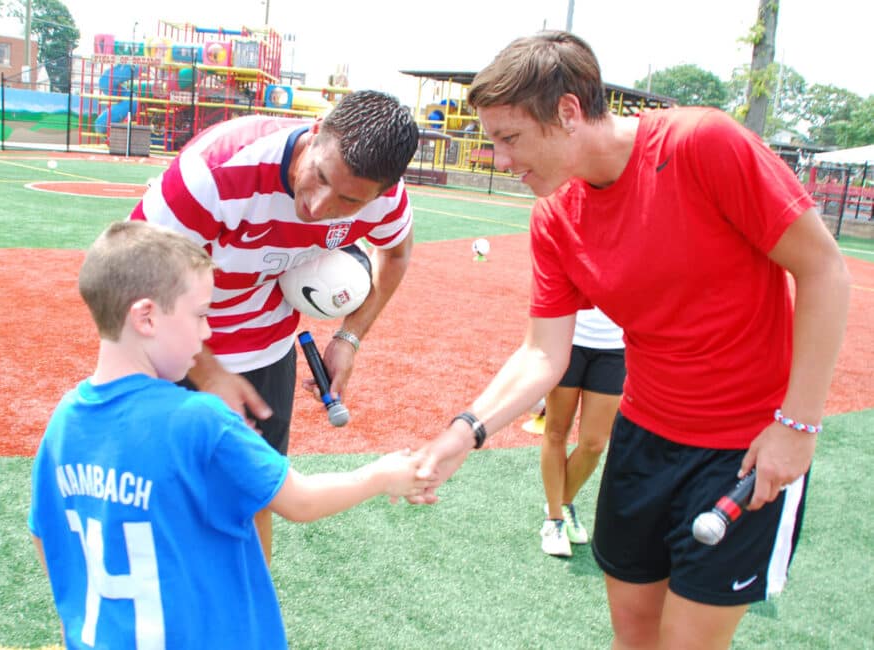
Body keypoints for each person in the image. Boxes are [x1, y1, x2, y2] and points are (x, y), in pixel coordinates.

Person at [413, 31, 851, 649]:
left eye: (509, 139)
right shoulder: (554, 218)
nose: (502, 161)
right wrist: (465, 432)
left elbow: (824, 269)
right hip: (643, 441)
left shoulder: (701, 143)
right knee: (635, 637)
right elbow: (543, 353)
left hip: (743, 449)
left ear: (567, 112)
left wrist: (798, 425)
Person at [28, 220, 426, 649]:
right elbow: (301, 500)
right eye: (201, 315)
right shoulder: (199, 419)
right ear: (146, 317)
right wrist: (383, 475)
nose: (207, 333)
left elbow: (45, 538)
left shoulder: (65, 419)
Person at [128, 90, 419, 563]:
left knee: (254, 494)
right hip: (167, 346)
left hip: (265, 348)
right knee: (159, 496)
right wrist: (210, 372)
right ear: (317, 129)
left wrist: (349, 337)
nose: (319, 206)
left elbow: (398, 252)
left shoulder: (382, 200)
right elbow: (137, 271)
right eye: (320, 177)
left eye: (347, 200)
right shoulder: (216, 171)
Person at [537, 306, 624, 558]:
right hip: (567, 338)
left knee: (594, 443)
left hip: (615, 346)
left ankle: (562, 502)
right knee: (555, 432)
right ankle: (554, 519)